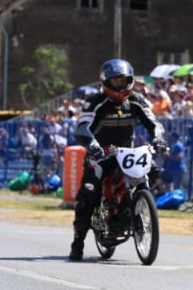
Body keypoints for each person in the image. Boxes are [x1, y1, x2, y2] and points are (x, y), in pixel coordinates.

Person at [68, 58, 164, 262]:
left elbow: (154, 123)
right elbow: (82, 128)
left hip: (127, 154)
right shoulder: (95, 101)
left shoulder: (137, 100)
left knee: (154, 170)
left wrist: (158, 138)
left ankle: (129, 209)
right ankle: (78, 242)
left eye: (124, 80)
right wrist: (92, 145)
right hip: (100, 155)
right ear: (105, 82)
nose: (120, 85)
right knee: (89, 192)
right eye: (116, 81)